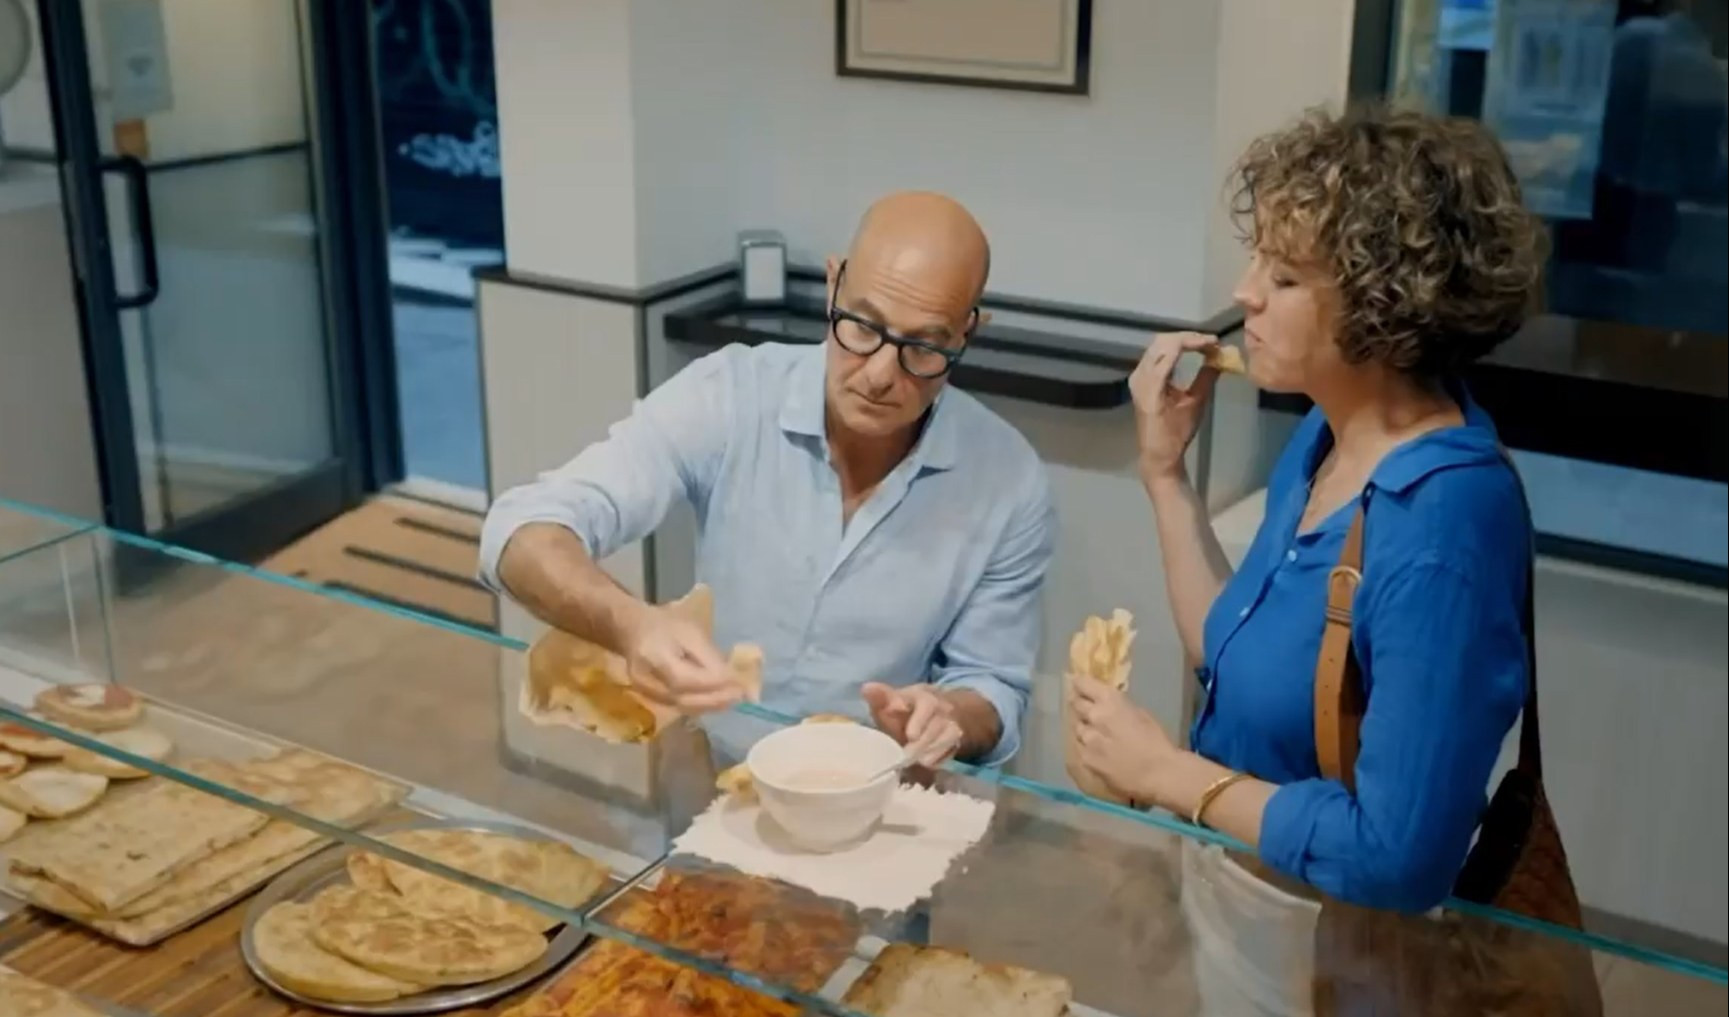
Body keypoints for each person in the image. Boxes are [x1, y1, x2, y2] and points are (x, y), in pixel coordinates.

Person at [1069, 106, 1548, 915]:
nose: (1242, 293)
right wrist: (1163, 474)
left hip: (1337, 950)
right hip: (1238, 897)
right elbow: (1234, 651)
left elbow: (1393, 859)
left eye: (1284, 278)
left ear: (1384, 307)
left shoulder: (1442, 527)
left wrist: (1165, 773)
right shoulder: (1326, 436)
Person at [481, 191, 1055, 769]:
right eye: (862, 326)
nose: (882, 375)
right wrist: (632, 626)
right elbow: (518, 531)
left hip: (880, 790)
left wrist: (952, 716)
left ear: (966, 335)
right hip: (714, 770)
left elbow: (994, 687)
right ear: (833, 285)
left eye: (924, 347)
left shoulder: (1008, 480)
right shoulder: (732, 394)